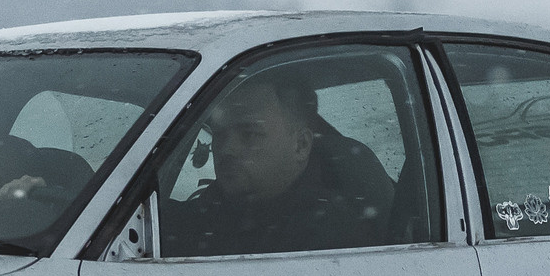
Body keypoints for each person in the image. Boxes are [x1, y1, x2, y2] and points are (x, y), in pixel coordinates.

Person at [162, 73, 392, 257]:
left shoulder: (331, 243)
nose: (226, 149)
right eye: (220, 134)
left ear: (301, 145)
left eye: (249, 134)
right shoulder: (208, 213)